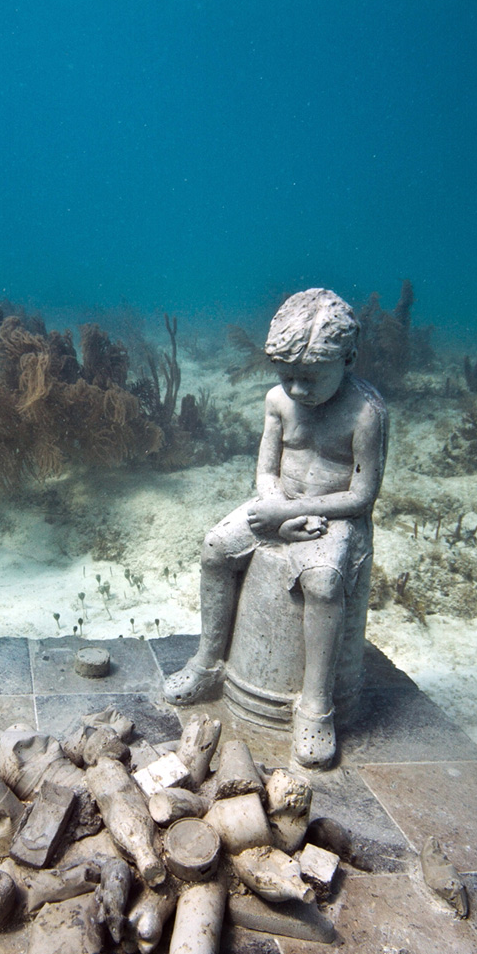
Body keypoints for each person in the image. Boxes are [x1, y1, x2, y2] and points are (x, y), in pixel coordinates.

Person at [163, 288, 387, 768]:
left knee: (323, 584)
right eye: (288, 377)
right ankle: (208, 663)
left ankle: (315, 705)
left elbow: (362, 495)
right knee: (215, 548)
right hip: (279, 503)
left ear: (348, 359)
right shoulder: (277, 401)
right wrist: (274, 507)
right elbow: (266, 470)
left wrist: (286, 519)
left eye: (310, 379)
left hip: (334, 516)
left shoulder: (365, 412)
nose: (298, 390)